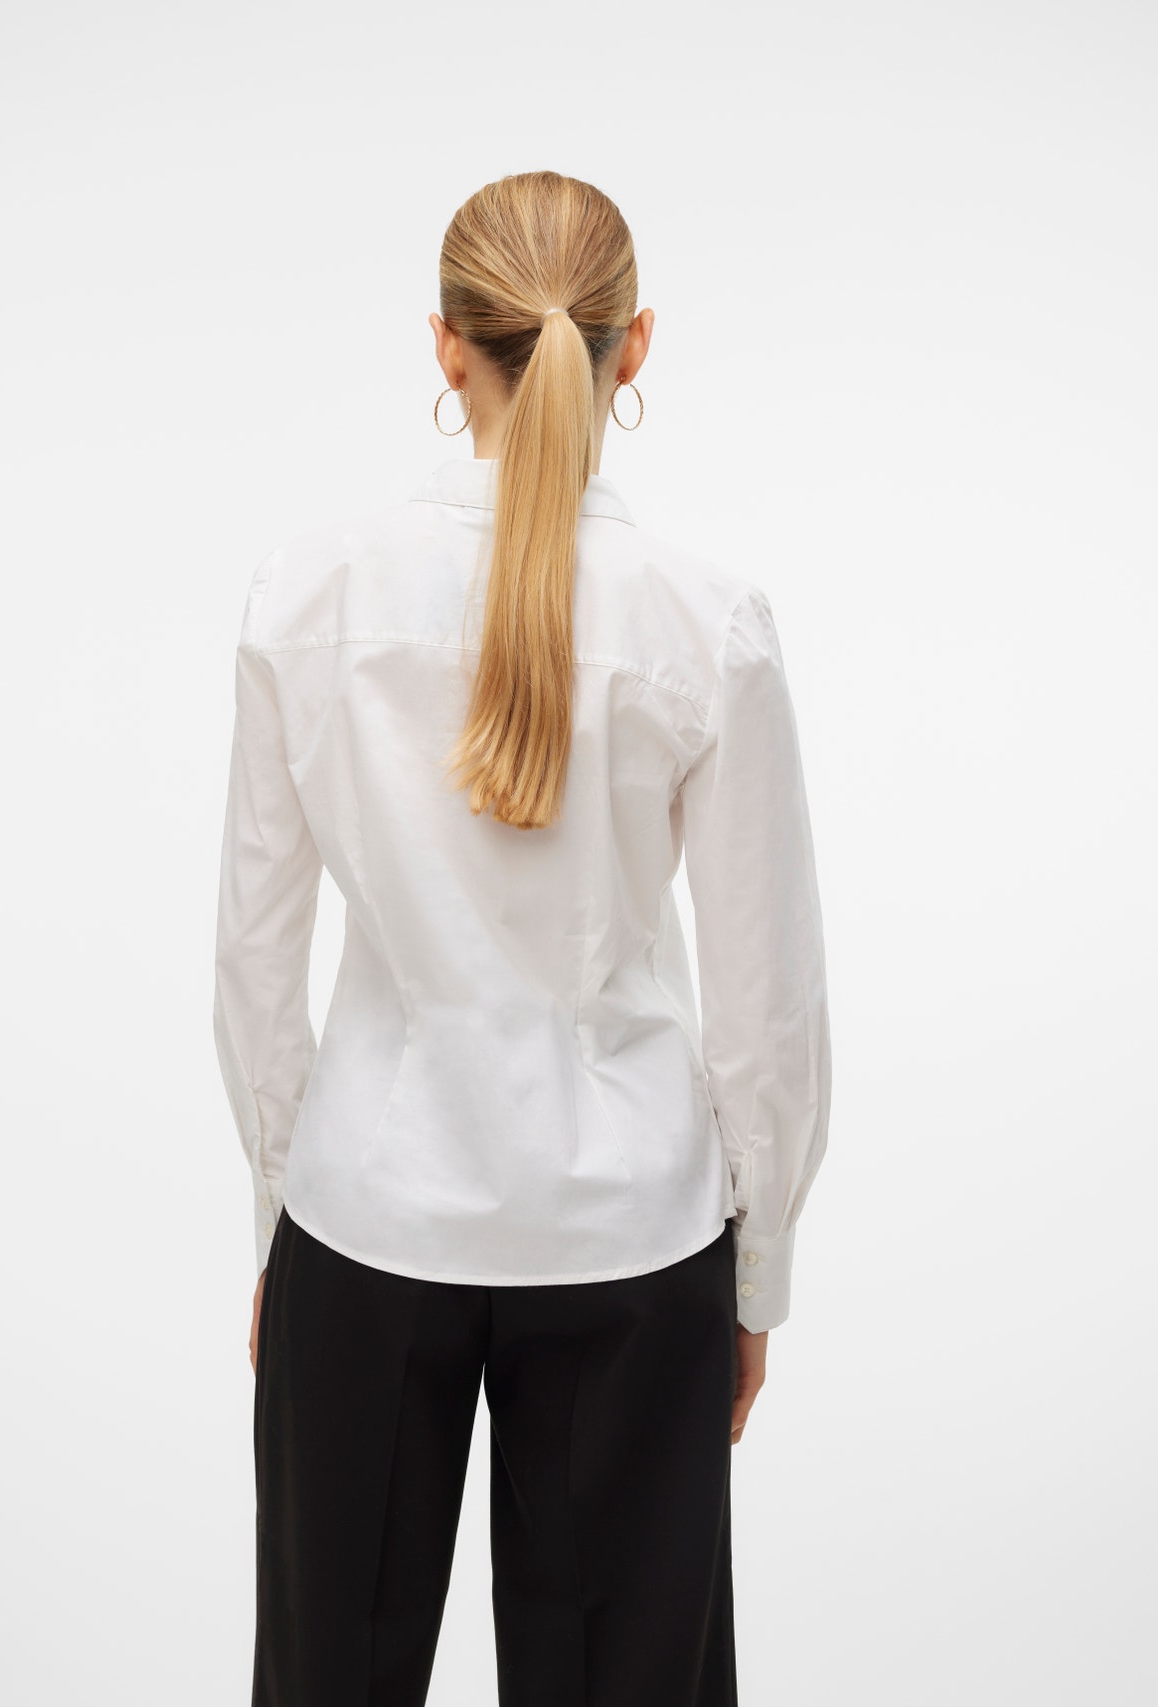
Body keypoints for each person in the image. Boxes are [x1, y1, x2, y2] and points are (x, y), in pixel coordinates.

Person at [213, 168, 832, 1707]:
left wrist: (283, 1213)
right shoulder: (708, 621)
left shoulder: (306, 594)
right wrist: (757, 1272)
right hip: (632, 1241)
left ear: (445, 345)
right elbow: (768, 1006)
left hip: (366, 1221)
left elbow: (254, 965)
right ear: (637, 348)